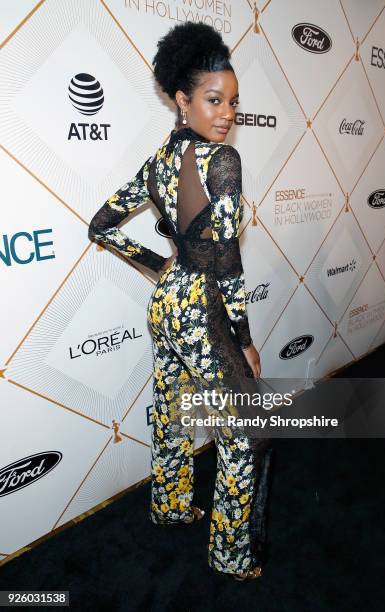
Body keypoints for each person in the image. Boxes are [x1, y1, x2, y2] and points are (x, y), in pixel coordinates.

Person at [88, 21, 273, 581]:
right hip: (200, 308)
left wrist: (160, 266)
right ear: (181, 99)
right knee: (246, 432)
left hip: (165, 304)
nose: (226, 115)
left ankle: (169, 506)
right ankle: (231, 554)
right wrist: (243, 341)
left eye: (234, 103)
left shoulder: (155, 166)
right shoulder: (222, 163)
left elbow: (101, 225)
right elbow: (227, 264)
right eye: (213, 100)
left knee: (172, 412)